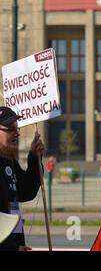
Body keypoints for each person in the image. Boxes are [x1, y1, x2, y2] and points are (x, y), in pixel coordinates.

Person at [0, 106, 45, 251]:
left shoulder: (8, 160)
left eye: (17, 128)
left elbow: (26, 192)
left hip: (15, 241)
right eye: (10, 129)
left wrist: (34, 157)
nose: (16, 134)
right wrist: (10, 248)